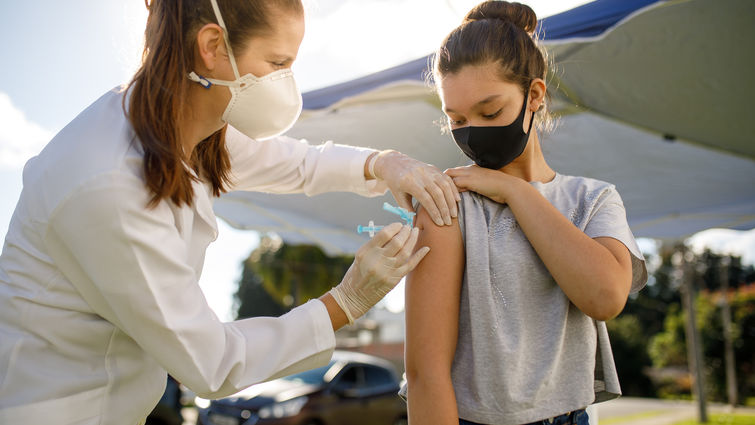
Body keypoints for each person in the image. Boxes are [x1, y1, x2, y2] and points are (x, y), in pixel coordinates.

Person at [0, 0, 460, 423]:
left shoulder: (187, 124)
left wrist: (384, 163)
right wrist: (348, 300)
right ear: (212, 47)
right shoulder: (108, 180)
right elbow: (211, 363)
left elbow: (299, 163)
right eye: (278, 63)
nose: (287, 82)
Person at [402, 2, 648, 425]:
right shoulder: (448, 203)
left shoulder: (592, 199)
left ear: (534, 95)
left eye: (490, 111)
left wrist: (516, 191)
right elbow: (426, 374)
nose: (472, 131)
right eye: (456, 118)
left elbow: (605, 296)